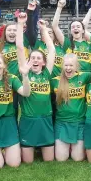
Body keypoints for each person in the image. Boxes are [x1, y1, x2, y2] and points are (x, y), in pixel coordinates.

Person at [16, 14, 56, 163]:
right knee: (28, 161)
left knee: (49, 160)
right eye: (33, 57)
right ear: (28, 60)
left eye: (39, 58)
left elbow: (51, 50)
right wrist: (20, 24)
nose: (36, 60)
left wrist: (44, 29)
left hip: (45, 119)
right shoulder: (23, 71)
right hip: (29, 120)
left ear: (44, 63)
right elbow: (20, 47)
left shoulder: (46, 73)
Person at [51, 53, 91, 162]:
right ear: (62, 66)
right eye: (66, 65)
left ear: (76, 66)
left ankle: (73, 147)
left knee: (77, 158)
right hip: (61, 122)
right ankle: (67, 146)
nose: (68, 68)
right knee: (61, 158)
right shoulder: (55, 80)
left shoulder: (85, 76)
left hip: (79, 122)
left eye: (71, 65)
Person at [53, 3, 91, 73]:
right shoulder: (67, 43)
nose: (75, 28)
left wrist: (90, 12)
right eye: (73, 27)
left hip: (88, 78)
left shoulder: (90, 44)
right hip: (72, 77)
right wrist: (59, 8)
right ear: (70, 31)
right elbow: (55, 26)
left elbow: (84, 24)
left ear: (83, 30)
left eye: (78, 27)